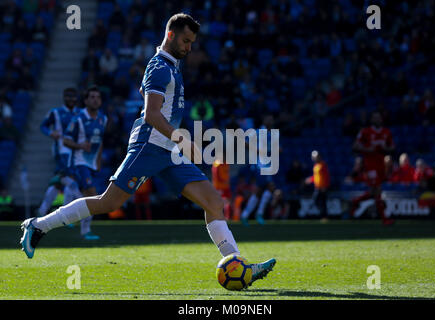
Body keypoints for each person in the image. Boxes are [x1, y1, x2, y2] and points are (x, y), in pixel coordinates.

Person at [20, 13, 275, 287]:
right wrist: (182, 139)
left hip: (167, 151)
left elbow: (152, 102)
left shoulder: (171, 66)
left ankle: (239, 266)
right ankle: (38, 225)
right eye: (186, 41)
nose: (189, 47)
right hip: (149, 147)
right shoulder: (160, 67)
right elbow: (152, 114)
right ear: (170, 35)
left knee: (213, 202)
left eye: (192, 42)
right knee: (109, 202)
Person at [63, 86, 107, 240]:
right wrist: (80, 146)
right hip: (79, 162)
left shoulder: (103, 119)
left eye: (98, 97)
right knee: (93, 195)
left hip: (93, 164)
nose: (95, 100)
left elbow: (100, 142)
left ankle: (67, 215)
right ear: (86, 100)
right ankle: (85, 230)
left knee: (84, 196)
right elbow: (66, 140)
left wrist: (99, 161)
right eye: (92, 97)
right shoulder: (78, 119)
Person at [37, 88, 82, 219]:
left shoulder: (80, 113)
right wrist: (51, 133)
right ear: (64, 98)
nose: (71, 99)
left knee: (58, 183)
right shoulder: (55, 112)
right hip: (62, 150)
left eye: (73, 97)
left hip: (77, 152)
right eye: (68, 96)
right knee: (70, 178)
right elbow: (43, 126)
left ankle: (42, 210)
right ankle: (66, 216)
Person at [351, 111, 395, 225]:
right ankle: (384, 219)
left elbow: (392, 147)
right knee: (378, 190)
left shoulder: (386, 132)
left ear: (382, 119)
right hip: (370, 165)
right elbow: (355, 145)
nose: (377, 119)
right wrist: (367, 149)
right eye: (375, 117)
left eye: (379, 117)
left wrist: (387, 148)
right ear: (371, 120)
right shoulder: (365, 132)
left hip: (381, 165)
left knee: (373, 192)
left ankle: (355, 201)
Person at [305, 151, 330, 222]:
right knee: (319, 202)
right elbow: (316, 177)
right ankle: (323, 216)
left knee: (321, 202)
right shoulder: (316, 166)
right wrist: (310, 179)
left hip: (322, 187)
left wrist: (325, 186)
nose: (314, 158)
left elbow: (326, 176)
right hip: (317, 187)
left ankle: (324, 216)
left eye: (315, 157)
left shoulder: (323, 165)